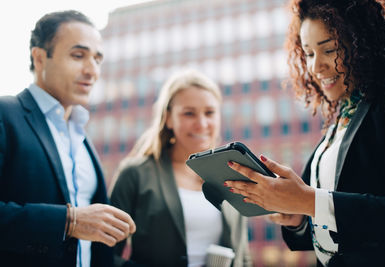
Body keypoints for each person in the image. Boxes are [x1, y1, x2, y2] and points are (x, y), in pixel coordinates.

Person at [223, 0, 385, 266]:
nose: (316, 67)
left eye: (329, 49)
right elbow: (332, 230)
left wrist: (311, 201)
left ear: (363, 44)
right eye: (308, 53)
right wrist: (298, 217)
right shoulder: (342, 117)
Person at [0, 10, 135, 267]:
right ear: (39, 58)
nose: (92, 70)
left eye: (97, 59)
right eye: (78, 55)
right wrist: (69, 221)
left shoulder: (82, 137)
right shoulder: (5, 115)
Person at [110, 69, 252, 267]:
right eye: (189, 113)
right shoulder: (135, 174)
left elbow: (243, 256)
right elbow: (106, 255)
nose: (201, 124)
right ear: (168, 118)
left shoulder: (234, 174)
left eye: (209, 113)